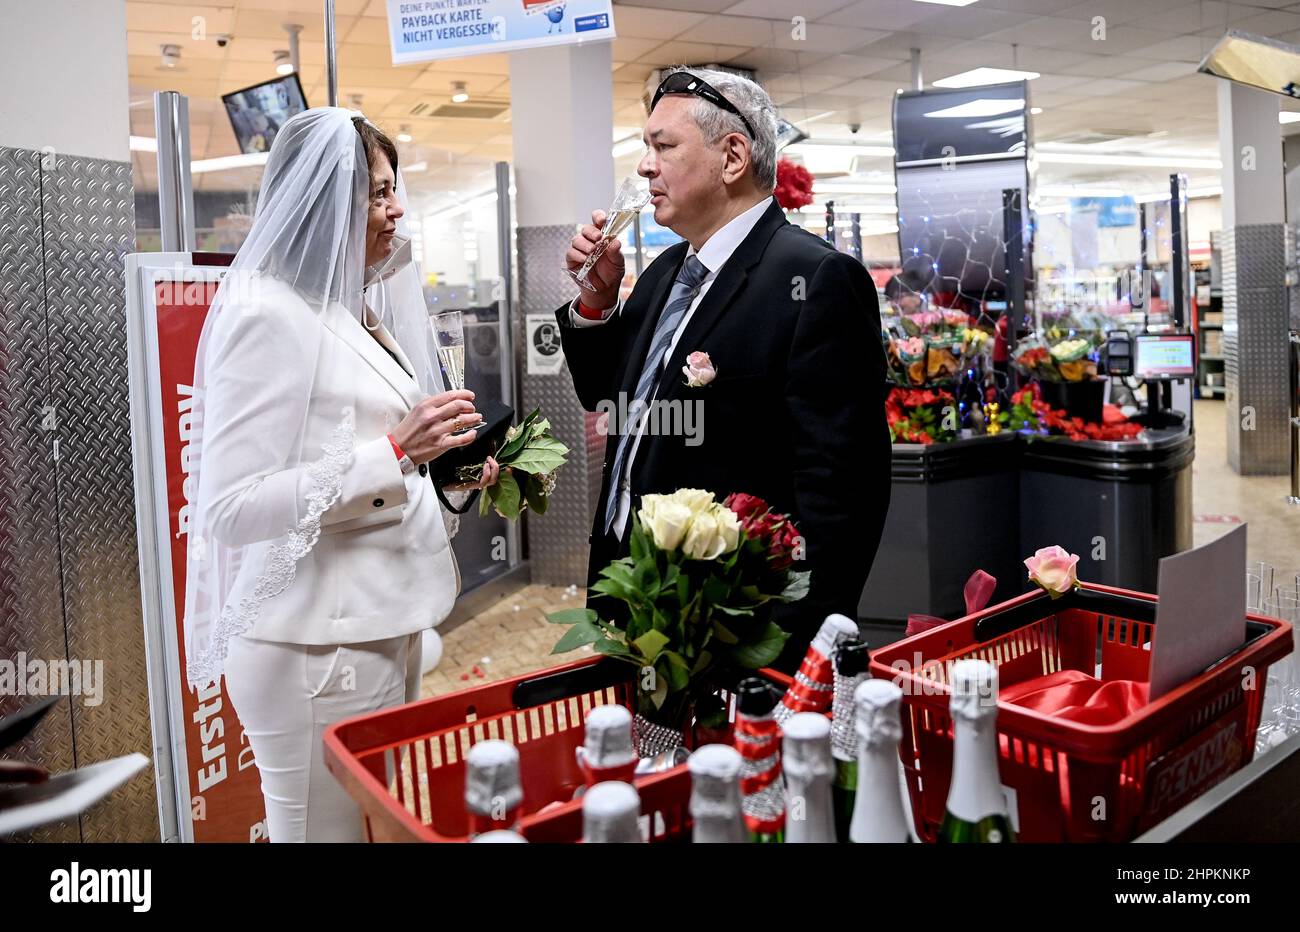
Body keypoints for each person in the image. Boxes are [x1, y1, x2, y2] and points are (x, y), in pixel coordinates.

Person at [181, 107, 498, 842]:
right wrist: (394, 454)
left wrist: (446, 477)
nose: (396, 211)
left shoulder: (344, 309)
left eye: (395, 190)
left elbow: (363, 466)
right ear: (326, 199)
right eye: (378, 193)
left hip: (375, 628)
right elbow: (230, 506)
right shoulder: (269, 315)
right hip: (314, 654)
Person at [555, 68, 890, 670]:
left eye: (663, 146)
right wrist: (597, 306)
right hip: (636, 599)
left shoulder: (814, 280)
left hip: (735, 626)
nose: (644, 167)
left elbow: (843, 494)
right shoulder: (663, 275)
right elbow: (612, 397)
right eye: (645, 148)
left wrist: (784, 649)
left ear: (733, 155)